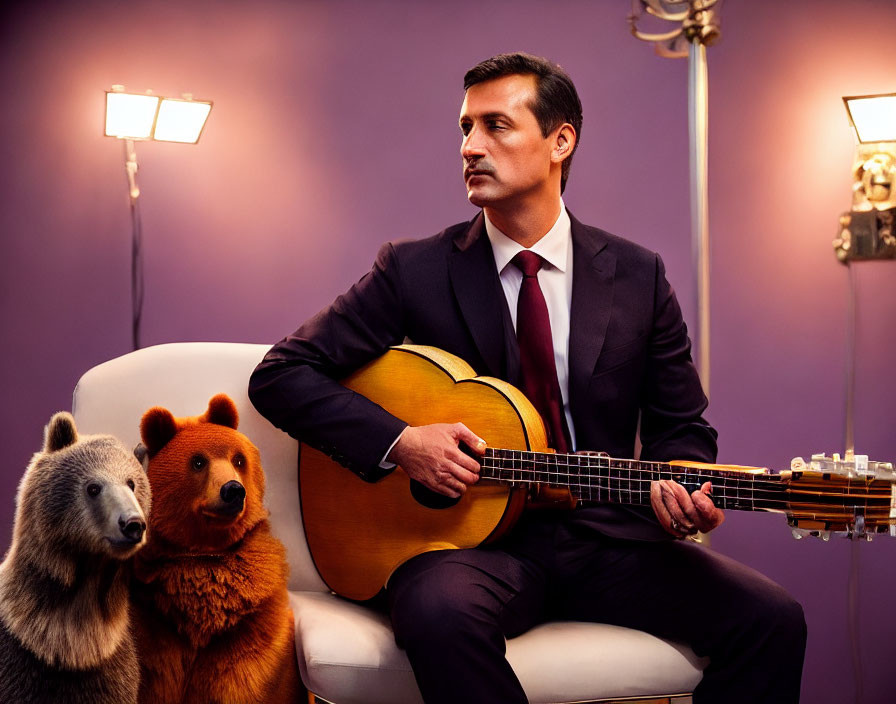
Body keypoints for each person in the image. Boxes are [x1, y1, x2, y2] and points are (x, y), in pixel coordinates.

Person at [249, 52, 806, 703]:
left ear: (559, 141)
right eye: (465, 128)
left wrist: (682, 488)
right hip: (471, 550)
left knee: (773, 621)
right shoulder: (413, 270)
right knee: (437, 614)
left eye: (496, 126)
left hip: (608, 537)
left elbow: (681, 427)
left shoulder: (638, 276)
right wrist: (404, 443)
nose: (470, 147)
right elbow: (282, 375)